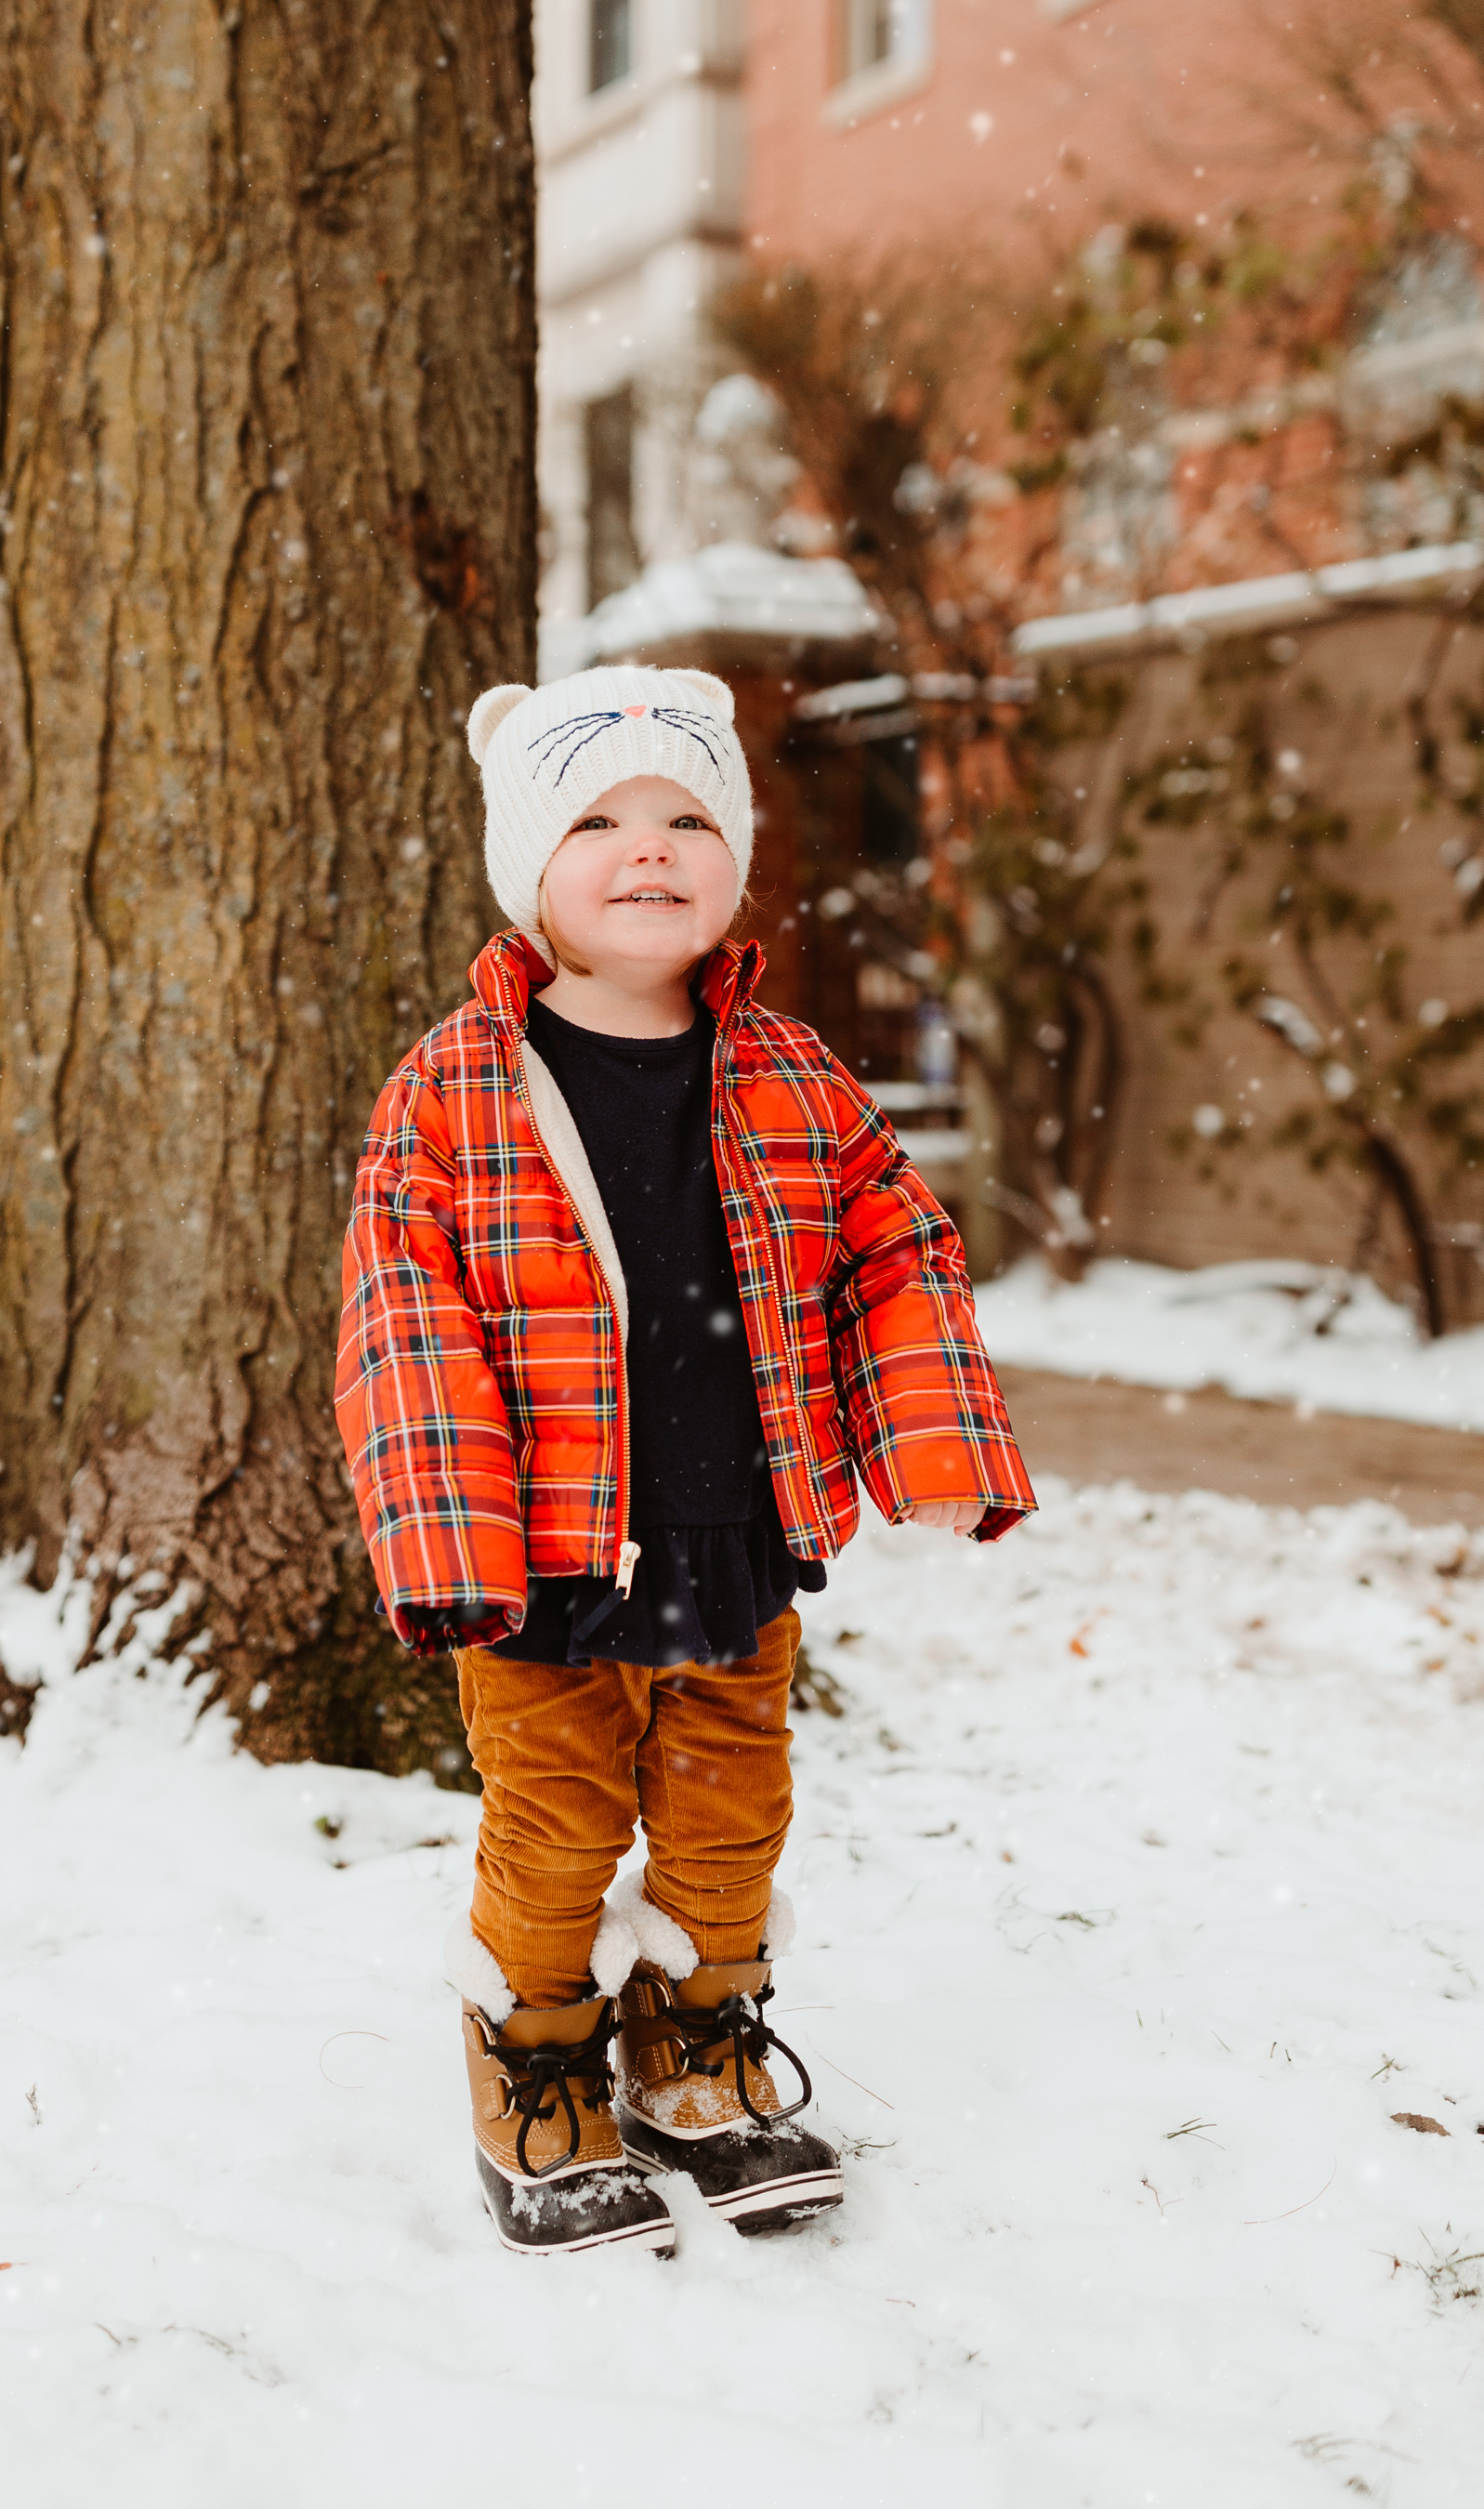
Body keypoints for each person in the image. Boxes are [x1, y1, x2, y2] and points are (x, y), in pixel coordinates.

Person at [335, 663, 1035, 2258]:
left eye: (685, 817)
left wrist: (929, 1439)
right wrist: (447, 1546)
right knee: (561, 1825)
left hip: (736, 1534)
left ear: (729, 858)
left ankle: (698, 2055)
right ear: (532, 866)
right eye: (597, 818)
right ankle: (536, 2064)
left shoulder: (791, 1072)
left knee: (731, 1818)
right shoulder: (455, 1088)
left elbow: (896, 1253)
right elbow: (404, 1319)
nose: (647, 848)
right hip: (546, 1561)